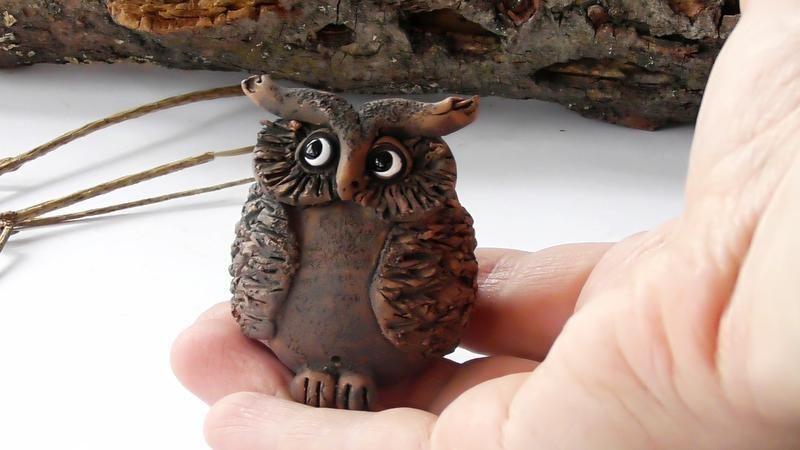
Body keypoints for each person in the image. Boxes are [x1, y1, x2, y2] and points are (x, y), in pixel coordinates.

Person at [171, 1, 800, 448]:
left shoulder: (423, 231)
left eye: (380, 162)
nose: (347, 183)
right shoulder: (276, 218)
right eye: (321, 152)